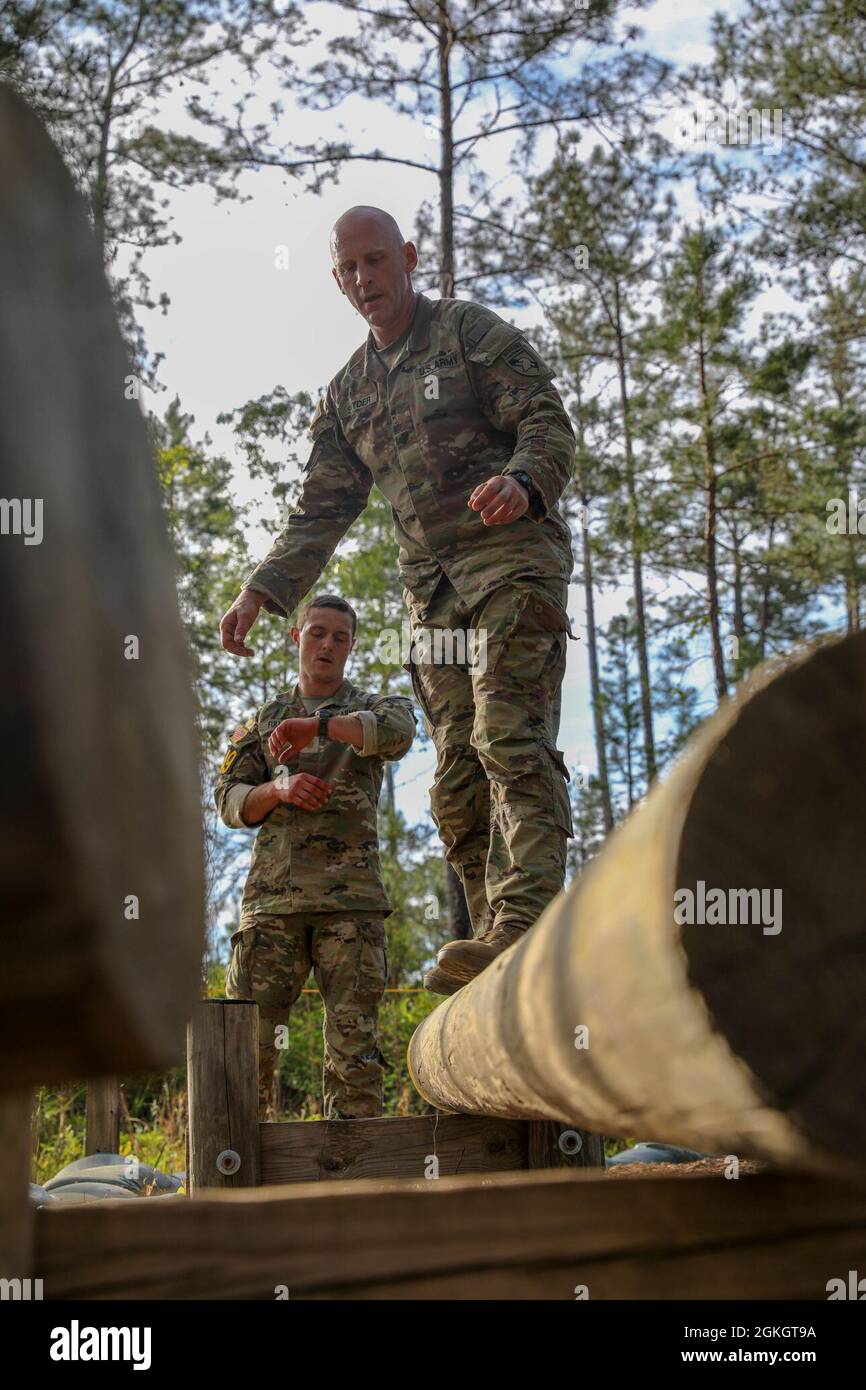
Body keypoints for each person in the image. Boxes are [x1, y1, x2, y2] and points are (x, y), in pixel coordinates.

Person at [220, 205, 575, 996]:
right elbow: (320, 511)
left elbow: (547, 421)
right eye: (348, 270)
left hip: (513, 564)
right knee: (454, 778)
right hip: (435, 600)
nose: (364, 280)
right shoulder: (348, 393)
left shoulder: (467, 335)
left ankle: (529, 921)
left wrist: (523, 482)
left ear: (408, 258)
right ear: (337, 281)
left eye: (376, 262)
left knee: (507, 736)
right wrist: (262, 590)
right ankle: (496, 942)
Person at [215, 593, 415, 1117]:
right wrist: (276, 791)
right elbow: (229, 802)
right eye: (317, 632)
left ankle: (354, 1186)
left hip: (351, 908)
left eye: (340, 637)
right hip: (272, 907)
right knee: (246, 1052)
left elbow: (397, 734)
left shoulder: (375, 707)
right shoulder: (263, 721)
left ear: (351, 647)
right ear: (295, 637)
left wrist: (321, 726)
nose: (327, 644)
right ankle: (239, 1184)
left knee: (355, 1061)